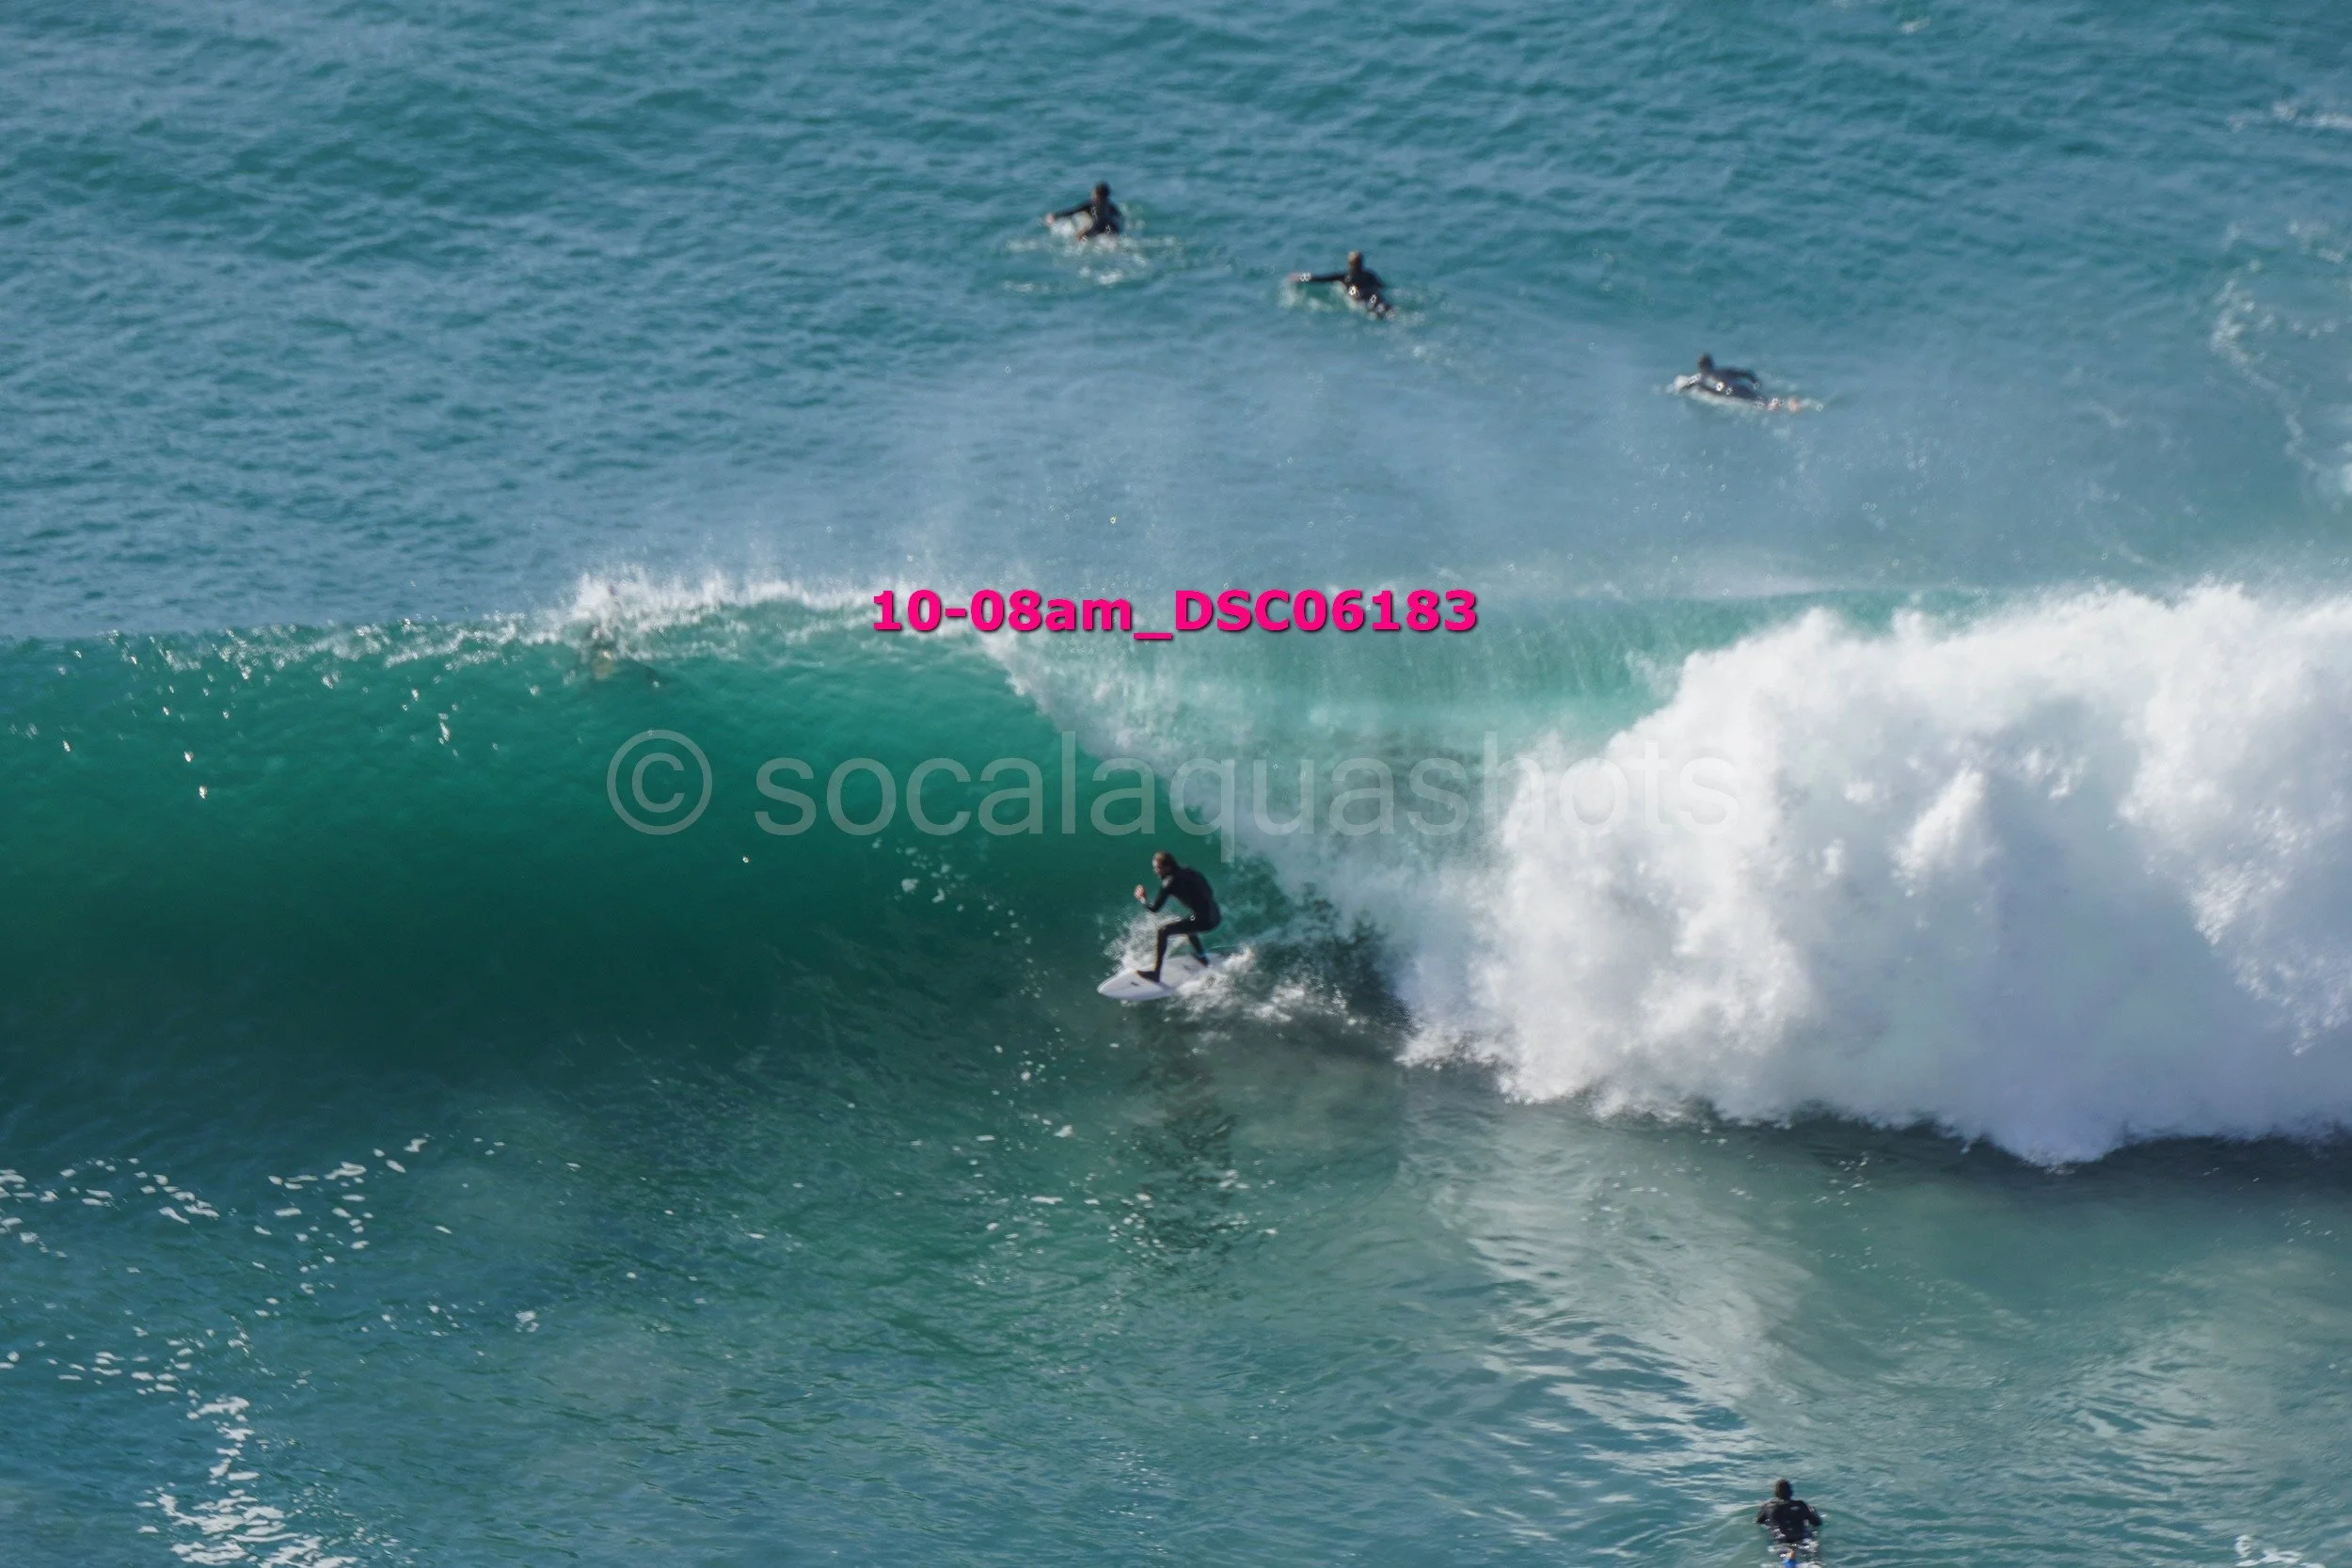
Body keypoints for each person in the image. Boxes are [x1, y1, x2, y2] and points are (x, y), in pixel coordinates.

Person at [1134, 849, 1220, 983]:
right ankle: (1202, 956)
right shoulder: (1190, 871)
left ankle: (1156, 974)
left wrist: (1143, 899)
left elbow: (1154, 909)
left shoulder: (1169, 883)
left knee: (1163, 931)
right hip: (1215, 915)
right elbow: (1209, 890)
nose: (1155, 871)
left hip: (1205, 921)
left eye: (1157, 868)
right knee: (1188, 923)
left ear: (1167, 868)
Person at [1289, 250, 1391, 317]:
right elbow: (1381, 286)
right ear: (1362, 263)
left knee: (1368, 307)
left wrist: (1300, 277)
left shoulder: (1344, 277)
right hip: (1374, 295)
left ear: (1349, 264)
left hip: (1358, 295)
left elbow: (1319, 278)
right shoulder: (1370, 274)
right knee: (1381, 305)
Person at [1756, 1479, 1823, 1547]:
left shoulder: (1768, 1507)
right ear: (1791, 1492)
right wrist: (1813, 1511)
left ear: (1775, 1494)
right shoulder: (1801, 1505)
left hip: (1782, 1541)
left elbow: (1759, 1521)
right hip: (1803, 1538)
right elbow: (1817, 1522)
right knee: (1812, 1549)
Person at [1046, 182, 1123, 240]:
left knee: (1079, 237)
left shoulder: (1090, 205)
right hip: (1112, 227)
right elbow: (1120, 217)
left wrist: (1056, 216)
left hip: (1096, 227)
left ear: (1096, 195)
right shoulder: (1111, 206)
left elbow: (1073, 211)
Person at [1692, 352, 1763, 402]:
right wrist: (1756, 383)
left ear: (1700, 367)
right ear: (1712, 364)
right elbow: (1746, 373)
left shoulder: (1702, 377)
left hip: (1730, 392)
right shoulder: (1724, 371)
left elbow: (1692, 384)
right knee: (1761, 400)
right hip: (1742, 387)